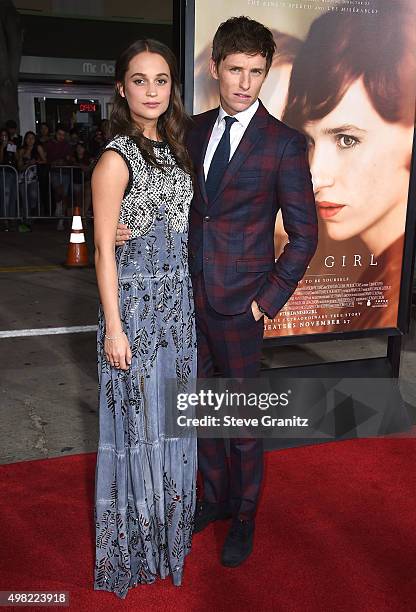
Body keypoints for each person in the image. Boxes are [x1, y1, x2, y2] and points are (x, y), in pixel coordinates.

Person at [117, 16, 318, 567]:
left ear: (265, 74)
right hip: (186, 299)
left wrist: (267, 299)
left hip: (241, 304)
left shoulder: (283, 144)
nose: (245, 83)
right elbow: (163, 196)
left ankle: (247, 513)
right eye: (235, 70)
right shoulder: (194, 129)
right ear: (215, 69)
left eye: (256, 72)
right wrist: (123, 222)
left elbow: (305, 235)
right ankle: (215, 499)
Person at [93, 39, 197, 598]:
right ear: (121, 87)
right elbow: (104, 250)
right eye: (140, 80)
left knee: (172, 423)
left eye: (161, 80)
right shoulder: (115, 157)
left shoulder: (175, 149)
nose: (152, 91)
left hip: (178, 310)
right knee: (138, 428)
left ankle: (167, 538)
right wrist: (114, 328)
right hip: (134, 308)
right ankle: (134, 548)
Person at [282, 2, 416, 330]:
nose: (315, 176)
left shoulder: (390, 291)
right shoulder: (376, 273)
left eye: (346, 139)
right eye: (309, 141)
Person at [44, 126, 73, 229]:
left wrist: (66, 160)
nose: (61, 137)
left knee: (64, 195)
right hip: (55, 172)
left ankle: (61, 220)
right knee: (58, 191)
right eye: (59, 134)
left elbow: (70, 158)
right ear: (55, 134)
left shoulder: (67, 145)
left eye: (63, 135)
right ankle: (58, 206)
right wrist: (53, 162)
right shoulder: (49, 144)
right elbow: (46, 158)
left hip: (65, 172)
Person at [16, 130, 47, 231]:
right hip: (23, 178)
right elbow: (19, 166)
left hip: (34, 178)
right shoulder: (21, 150)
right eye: (28, 138)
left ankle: (31, 214)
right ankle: (27, 221)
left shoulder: (37, 148)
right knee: (25, 200)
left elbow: (45, 161)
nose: (30, 140)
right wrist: (28, 164)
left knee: (33, 197)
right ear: (25, 139)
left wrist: (37, 162)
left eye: (32, 138)